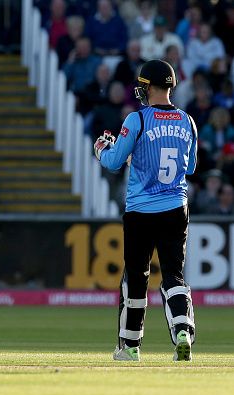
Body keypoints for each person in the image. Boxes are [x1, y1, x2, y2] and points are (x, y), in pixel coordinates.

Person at [94, 60, 197, 362]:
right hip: (175, 207)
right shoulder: (187, 120)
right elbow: (190, 167)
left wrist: (101, 149)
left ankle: (130, 347)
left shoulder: (137, 119)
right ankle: (182, 331)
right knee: (174, 276)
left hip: (141, 211)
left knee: (137, 277)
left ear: (149, 87)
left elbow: (114, 162)